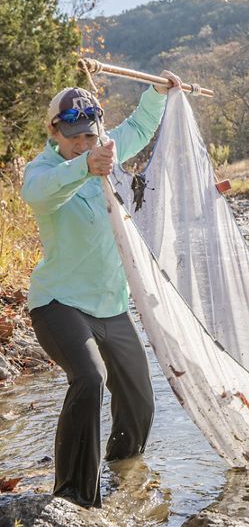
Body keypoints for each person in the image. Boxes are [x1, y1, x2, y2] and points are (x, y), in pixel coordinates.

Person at [22, 70, 182, 507]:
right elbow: (41, 196)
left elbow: (138, 128)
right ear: (53, 129)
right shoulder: (43, 170)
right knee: (90, 378)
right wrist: (82, 166)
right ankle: (73, 497)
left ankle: (122, 476)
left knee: (139, 400)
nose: (82, 143)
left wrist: (157, 92)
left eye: (89, 136)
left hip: (112, 307)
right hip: (58, 304)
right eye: (72, 136)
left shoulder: (105, 151)